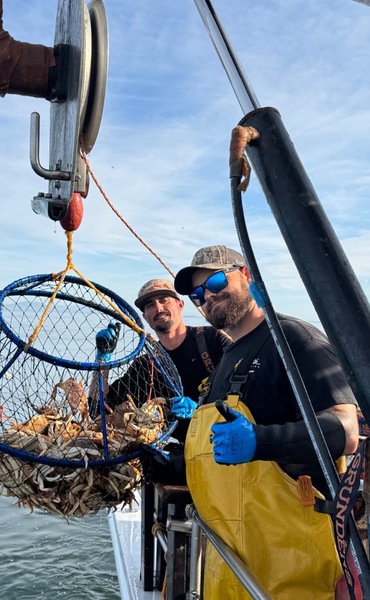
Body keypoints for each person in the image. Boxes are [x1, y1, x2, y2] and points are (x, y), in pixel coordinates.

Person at [169, 244, 360, 599]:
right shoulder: (227, 358)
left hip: (291, 571)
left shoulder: (294, 339)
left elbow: (346, 431)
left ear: (245, 275)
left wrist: (260, 441)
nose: (207, 297)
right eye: (197, 295)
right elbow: (219, 458)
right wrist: (173, 465)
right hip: (231, 568)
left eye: (215, 281)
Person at [95, 279, 230, 440]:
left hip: (225, 439)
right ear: (145, 317)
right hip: (182, 450)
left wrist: (202, 411)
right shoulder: (147, 364)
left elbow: (248, 389)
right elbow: (99, 410)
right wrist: (102, 361)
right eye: (150, 304)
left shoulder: (213, 340)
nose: (158, 308)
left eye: (164, 300)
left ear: (180, 305)